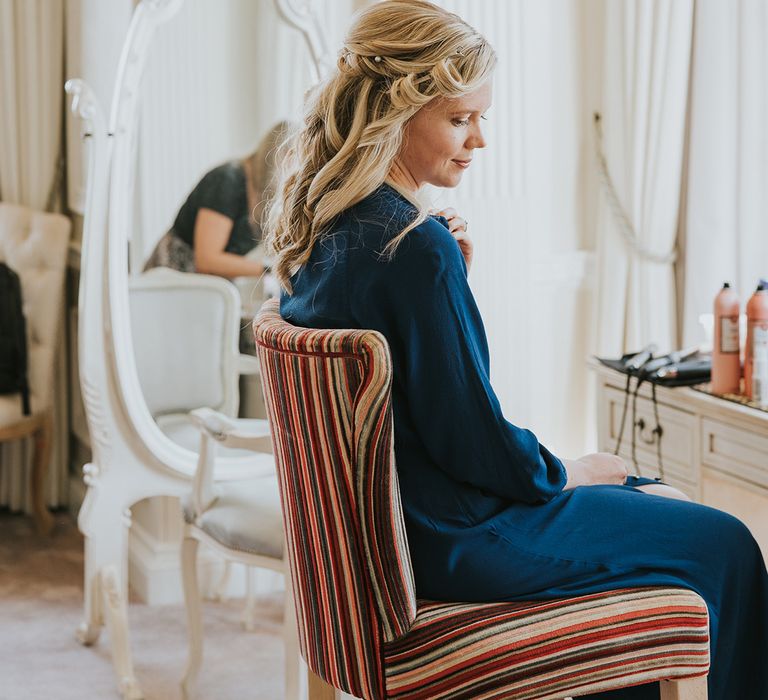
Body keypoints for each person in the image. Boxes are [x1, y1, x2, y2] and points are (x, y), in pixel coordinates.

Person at [263, 2, 768, 698]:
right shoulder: (412, 247)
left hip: (401, 540)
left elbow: (412, 404)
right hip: (457, 538)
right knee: (724, 544)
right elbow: (471, 441)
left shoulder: (328, 232)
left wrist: (448, 280)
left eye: (481, 117)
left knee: (654, 512)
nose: (478, 140)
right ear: (395, 110)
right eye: (460, 118)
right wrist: (568, 470)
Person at [143, 121, 289, 278]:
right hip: (171, 281)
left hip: (202, 287)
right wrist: (270, 269)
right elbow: (207, 261)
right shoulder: (226, 180)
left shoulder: (261, 194)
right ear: (280, 155)